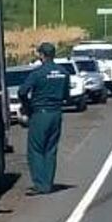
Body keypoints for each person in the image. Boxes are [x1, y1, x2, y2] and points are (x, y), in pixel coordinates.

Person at [22, 40, 72, 193]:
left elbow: (22, 92)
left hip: (40, 113)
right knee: (50, 149)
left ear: (42, 56)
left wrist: (28, 106)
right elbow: (66, 95)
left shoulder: (38, 73)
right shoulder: (63, 73)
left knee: (36, 150)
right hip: (56, 113)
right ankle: (48, 183)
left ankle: (40, 184)